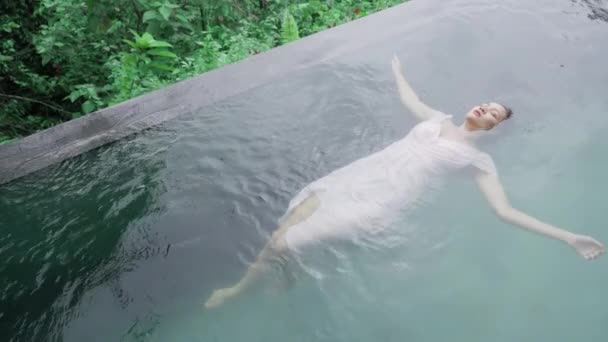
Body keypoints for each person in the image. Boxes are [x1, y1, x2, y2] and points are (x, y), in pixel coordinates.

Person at [204, 55, 605, 309]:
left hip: (382, 201)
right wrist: (397, 70)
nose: (485, 108)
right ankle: (284, 276)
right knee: (286, 227)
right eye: (488, 103)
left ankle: (237, 291)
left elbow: (505, 212)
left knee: (287, 241)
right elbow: (409, 101)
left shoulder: (476, 160)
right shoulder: (437, 119)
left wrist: (569, 238)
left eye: (494, 115)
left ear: (493, 130)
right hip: (358, 177)